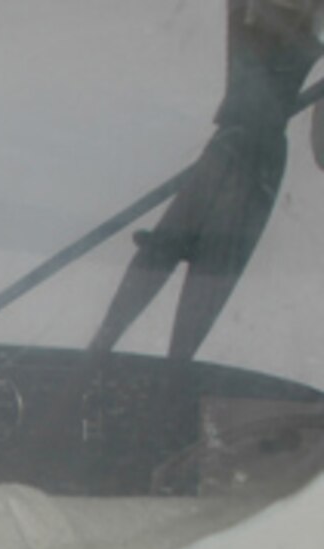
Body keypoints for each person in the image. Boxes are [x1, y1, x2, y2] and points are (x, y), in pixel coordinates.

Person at [90, 0, 324, 360]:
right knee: (163, 260)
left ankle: (130, 360)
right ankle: (102, 355)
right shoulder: (252, 16)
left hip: (248, 160)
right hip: (233, 152)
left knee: (190, 283)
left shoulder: (286, 25)